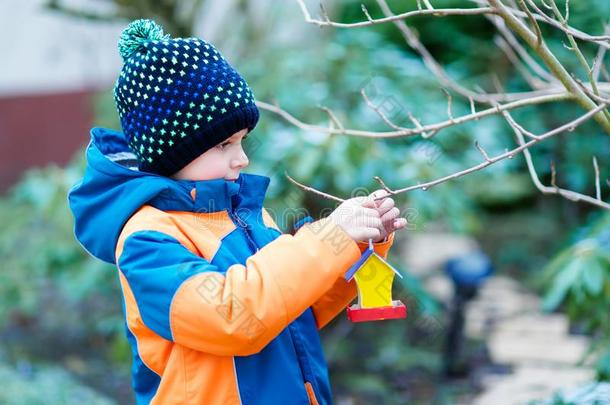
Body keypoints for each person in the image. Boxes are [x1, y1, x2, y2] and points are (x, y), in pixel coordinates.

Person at [68, 19, 407, 405]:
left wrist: (360, 245)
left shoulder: (241, 216)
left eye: (242, 141)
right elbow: (234, 316)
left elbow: (296, 306)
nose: (242, 159)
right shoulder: (147, 240)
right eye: (224, 144)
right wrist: (330, 239)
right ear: (174, 150)